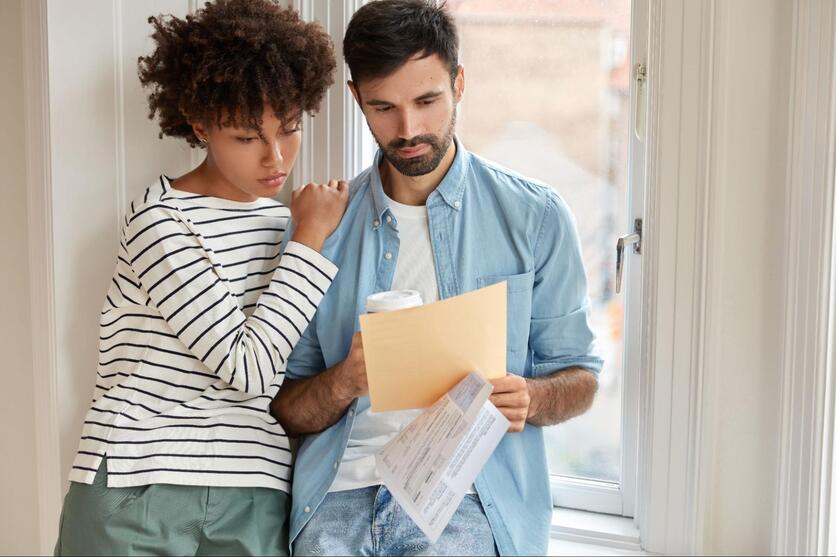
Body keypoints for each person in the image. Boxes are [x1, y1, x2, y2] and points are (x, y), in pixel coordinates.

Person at [270, 1, 603, 555]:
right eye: (384, 107)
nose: (408, 130)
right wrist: (344, 381)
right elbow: (285, 406)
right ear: (357, 100)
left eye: (427, 101)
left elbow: (582, 378)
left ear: (459, 83)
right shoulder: (322, 229)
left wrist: (532, 397)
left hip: (467, 499)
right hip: (338, 498)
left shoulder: (535, 218)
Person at [53, 1, 347, 555]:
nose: (276, 157)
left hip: (255, 490)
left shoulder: (296, 225)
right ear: (199, 124)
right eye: (246, 137)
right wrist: (308, 240)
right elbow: (248, 369)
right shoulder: (161, 221)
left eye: (289, 129)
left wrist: (305, 233)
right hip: (138, 482)